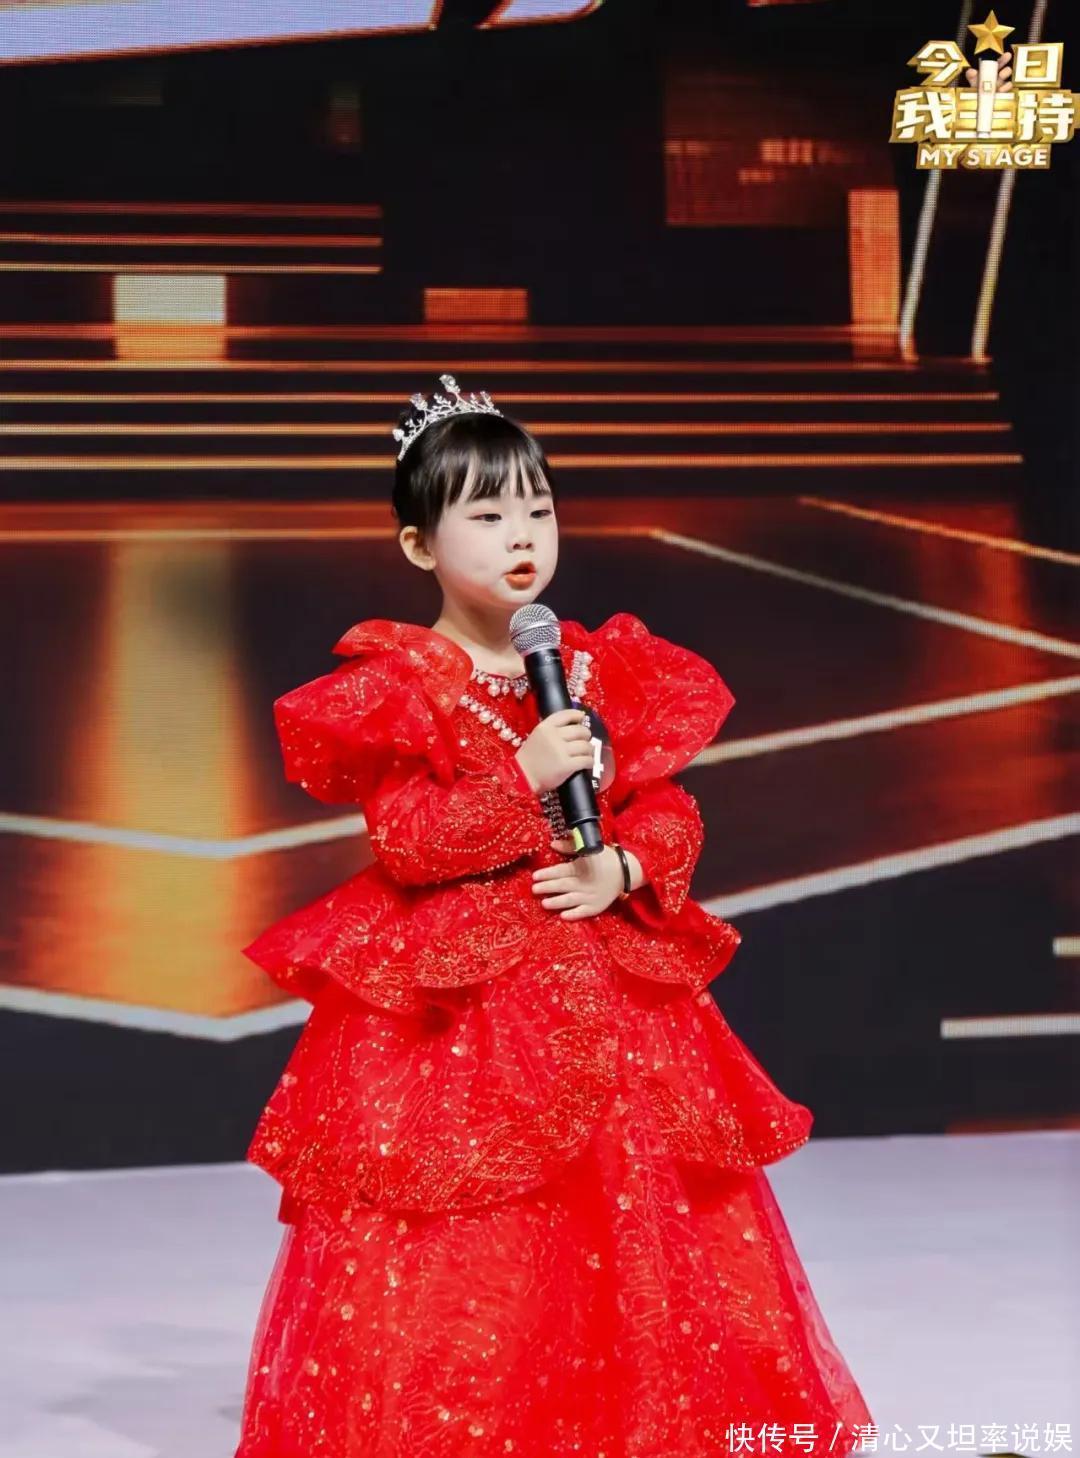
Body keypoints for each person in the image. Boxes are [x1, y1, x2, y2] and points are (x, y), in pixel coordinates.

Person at [234, 375, 875, 1457]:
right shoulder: (406, 683)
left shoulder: (588, 665)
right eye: (487, 516)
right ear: (418, 544)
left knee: (632, 1202)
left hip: (607, 990)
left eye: (538, 509)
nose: (522, 536)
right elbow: (410, 843)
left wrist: (624, 865)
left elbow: (666, 805)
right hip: (469, 1011)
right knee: (475, 1222)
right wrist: (524, 777)